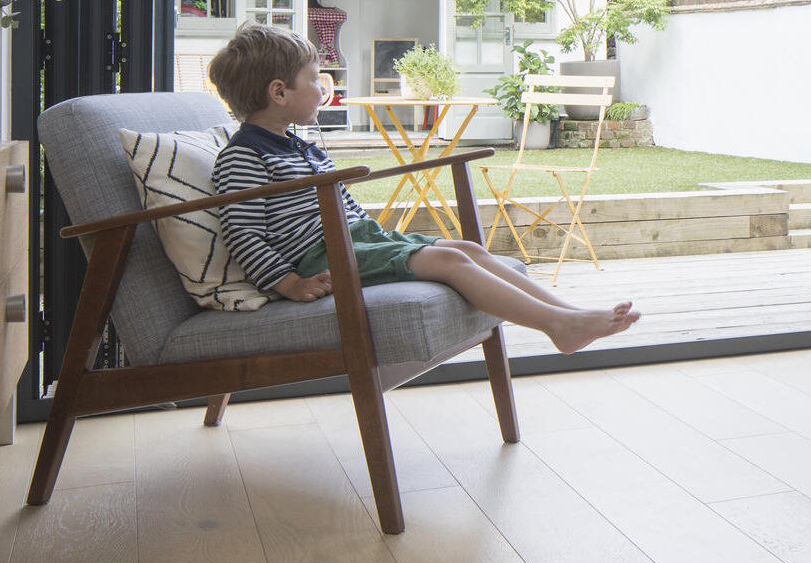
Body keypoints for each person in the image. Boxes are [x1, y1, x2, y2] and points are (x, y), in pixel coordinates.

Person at [207, 22, 637, 354]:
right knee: (449, 259)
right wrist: (289, 283)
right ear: (279, 92)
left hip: (357, 241)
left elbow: (342, 206)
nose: (323, 89)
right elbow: (243, 234)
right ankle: (557, 326)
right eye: (315, 79)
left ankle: (567, 314)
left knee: (470, 250)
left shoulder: (298, 145)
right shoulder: (245, 157)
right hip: (322, 258)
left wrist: (374, 236)